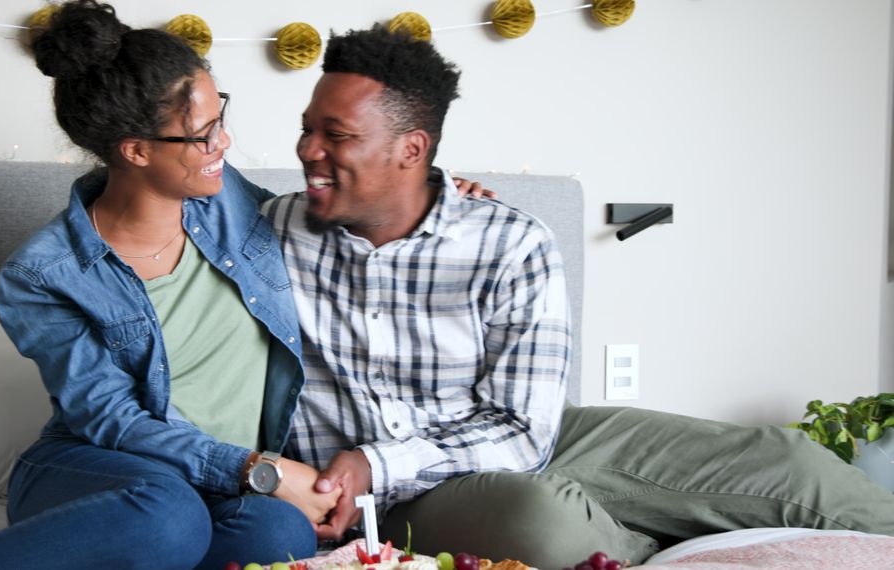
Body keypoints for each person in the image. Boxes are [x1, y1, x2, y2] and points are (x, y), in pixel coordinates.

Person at [262, 25, 894, 569]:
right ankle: (647, 546)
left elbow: (522, 428)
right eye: (306, 129)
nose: (306, 151)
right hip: (399, 497)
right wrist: (368, 470)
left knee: (787, 461)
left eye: (335, 135)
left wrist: (376, 460)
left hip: (510, 434)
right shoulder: (268, 230)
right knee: (543, 520)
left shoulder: (511, 241)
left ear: (412, 150)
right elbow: (186, 167)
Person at [0, 1, 341, 568]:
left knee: (277, 535)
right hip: (102, 474)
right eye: (203, 134)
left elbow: (320, 220)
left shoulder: (227, 198)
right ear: (135, 150)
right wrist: (255, 468)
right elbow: (113, 420)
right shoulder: (41, 274)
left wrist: (430, 192)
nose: (223, 145)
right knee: (168, 517)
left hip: (210, 484)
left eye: (221, 119)